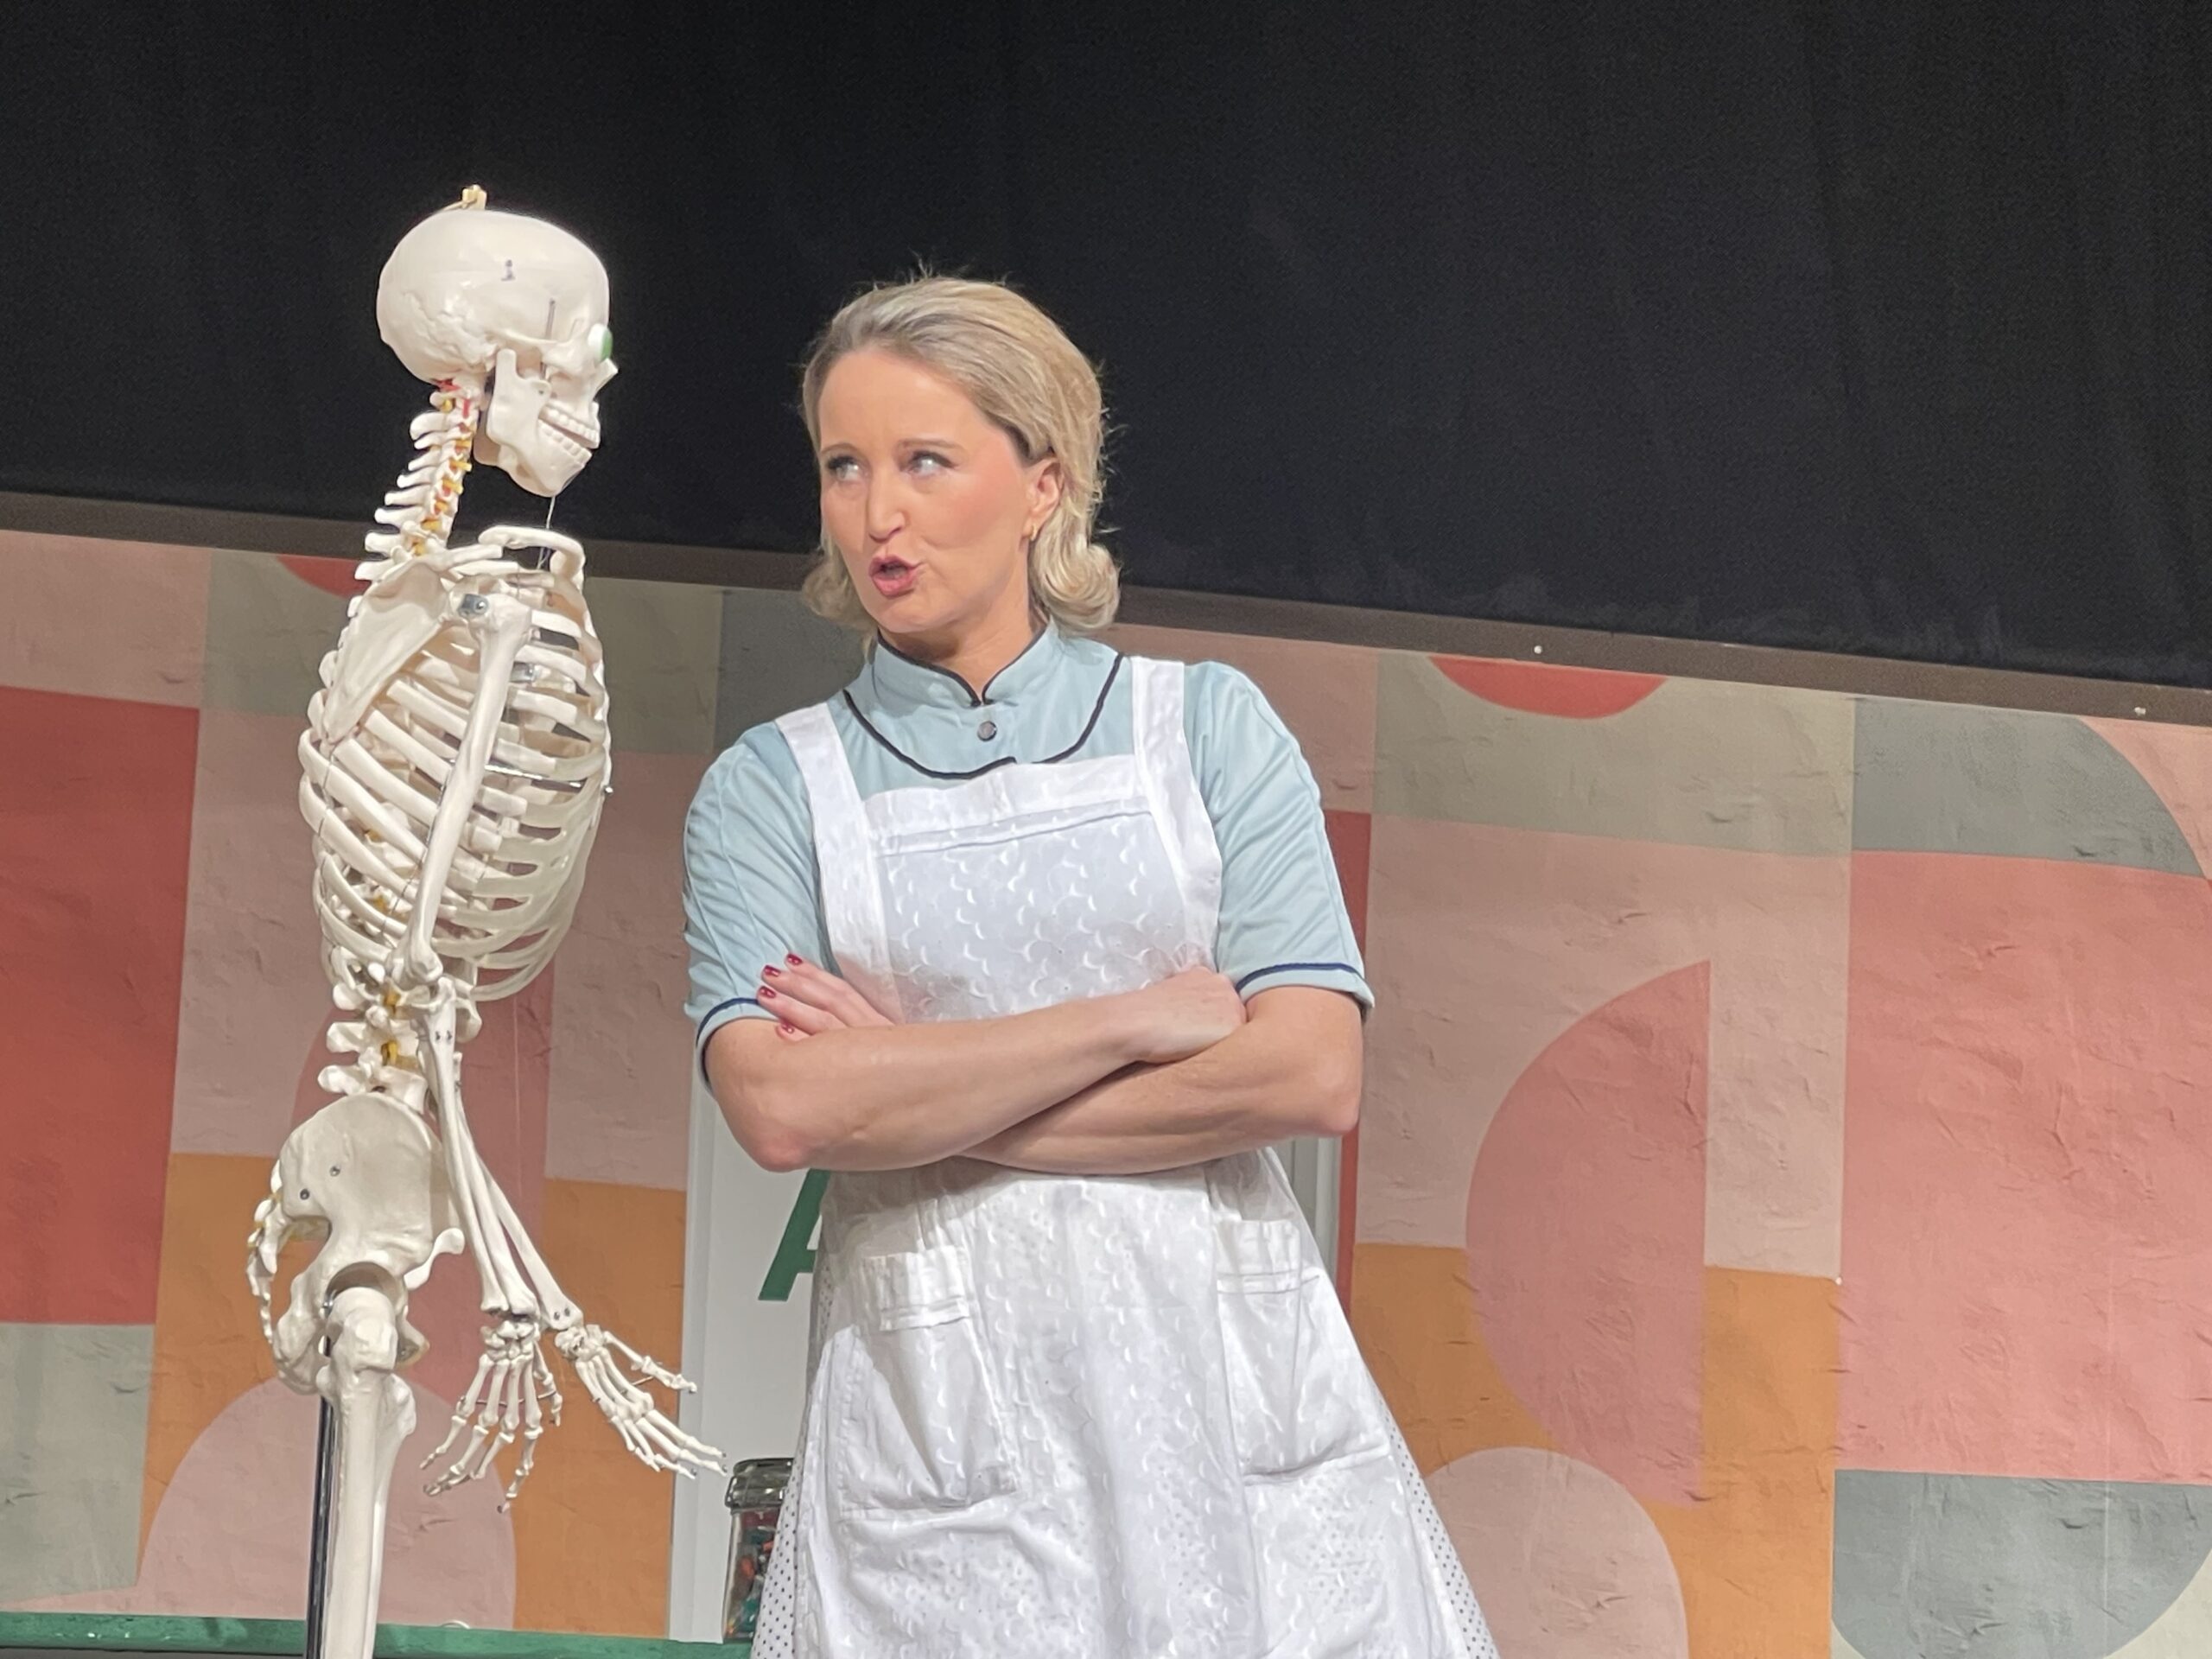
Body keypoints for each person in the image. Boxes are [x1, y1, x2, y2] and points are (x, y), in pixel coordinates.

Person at [682, 276, 1497, 1658]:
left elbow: (1311, 1073)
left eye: (926, 462)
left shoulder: (1209, 731)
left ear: (1043, 483)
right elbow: (784, 1109)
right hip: (945, 1419)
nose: (876, 515)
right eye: (844, 466)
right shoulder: (770, 792)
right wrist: (1133, 1020)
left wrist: (917, 1096)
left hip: (1228, 1388)